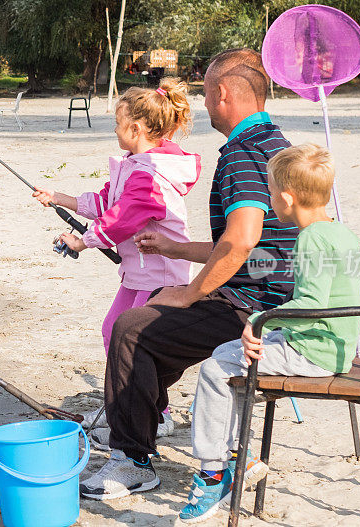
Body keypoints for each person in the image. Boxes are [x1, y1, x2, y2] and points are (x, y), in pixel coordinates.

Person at [80, 48, 297, 500]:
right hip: (273, 295)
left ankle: (131, 459)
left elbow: (241, 240)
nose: (202, 104)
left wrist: (189, 292)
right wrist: (176, 249)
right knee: (154, 319)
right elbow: (251, 247)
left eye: (205, 94)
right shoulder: (277, 144)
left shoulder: (241, 153)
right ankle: (141, 420)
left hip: (257, 310)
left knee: (131, 329)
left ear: (221, 93)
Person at [176, 143, 360, 522]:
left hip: (315, 352)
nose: (271, 200)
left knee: (215, 369)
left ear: (287, 199)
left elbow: (309, 305)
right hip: (341, 347)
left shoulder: (310, 240)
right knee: (231, 358)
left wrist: (259, 319)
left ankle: (214, 474)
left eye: (272, 193)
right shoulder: (341, 232)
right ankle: (239, 454)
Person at [32, 78, 201, 437]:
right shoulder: (131, 163)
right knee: (113, 329)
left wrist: (83, 243)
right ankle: (123, 400)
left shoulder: (151, 173)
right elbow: (107, 203)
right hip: (138, 272)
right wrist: (60, 198)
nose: (114, 130)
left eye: (117, 124)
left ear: (135, 128)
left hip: (162, 274)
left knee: (140, 341)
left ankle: (159, 412)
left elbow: (124, 219)